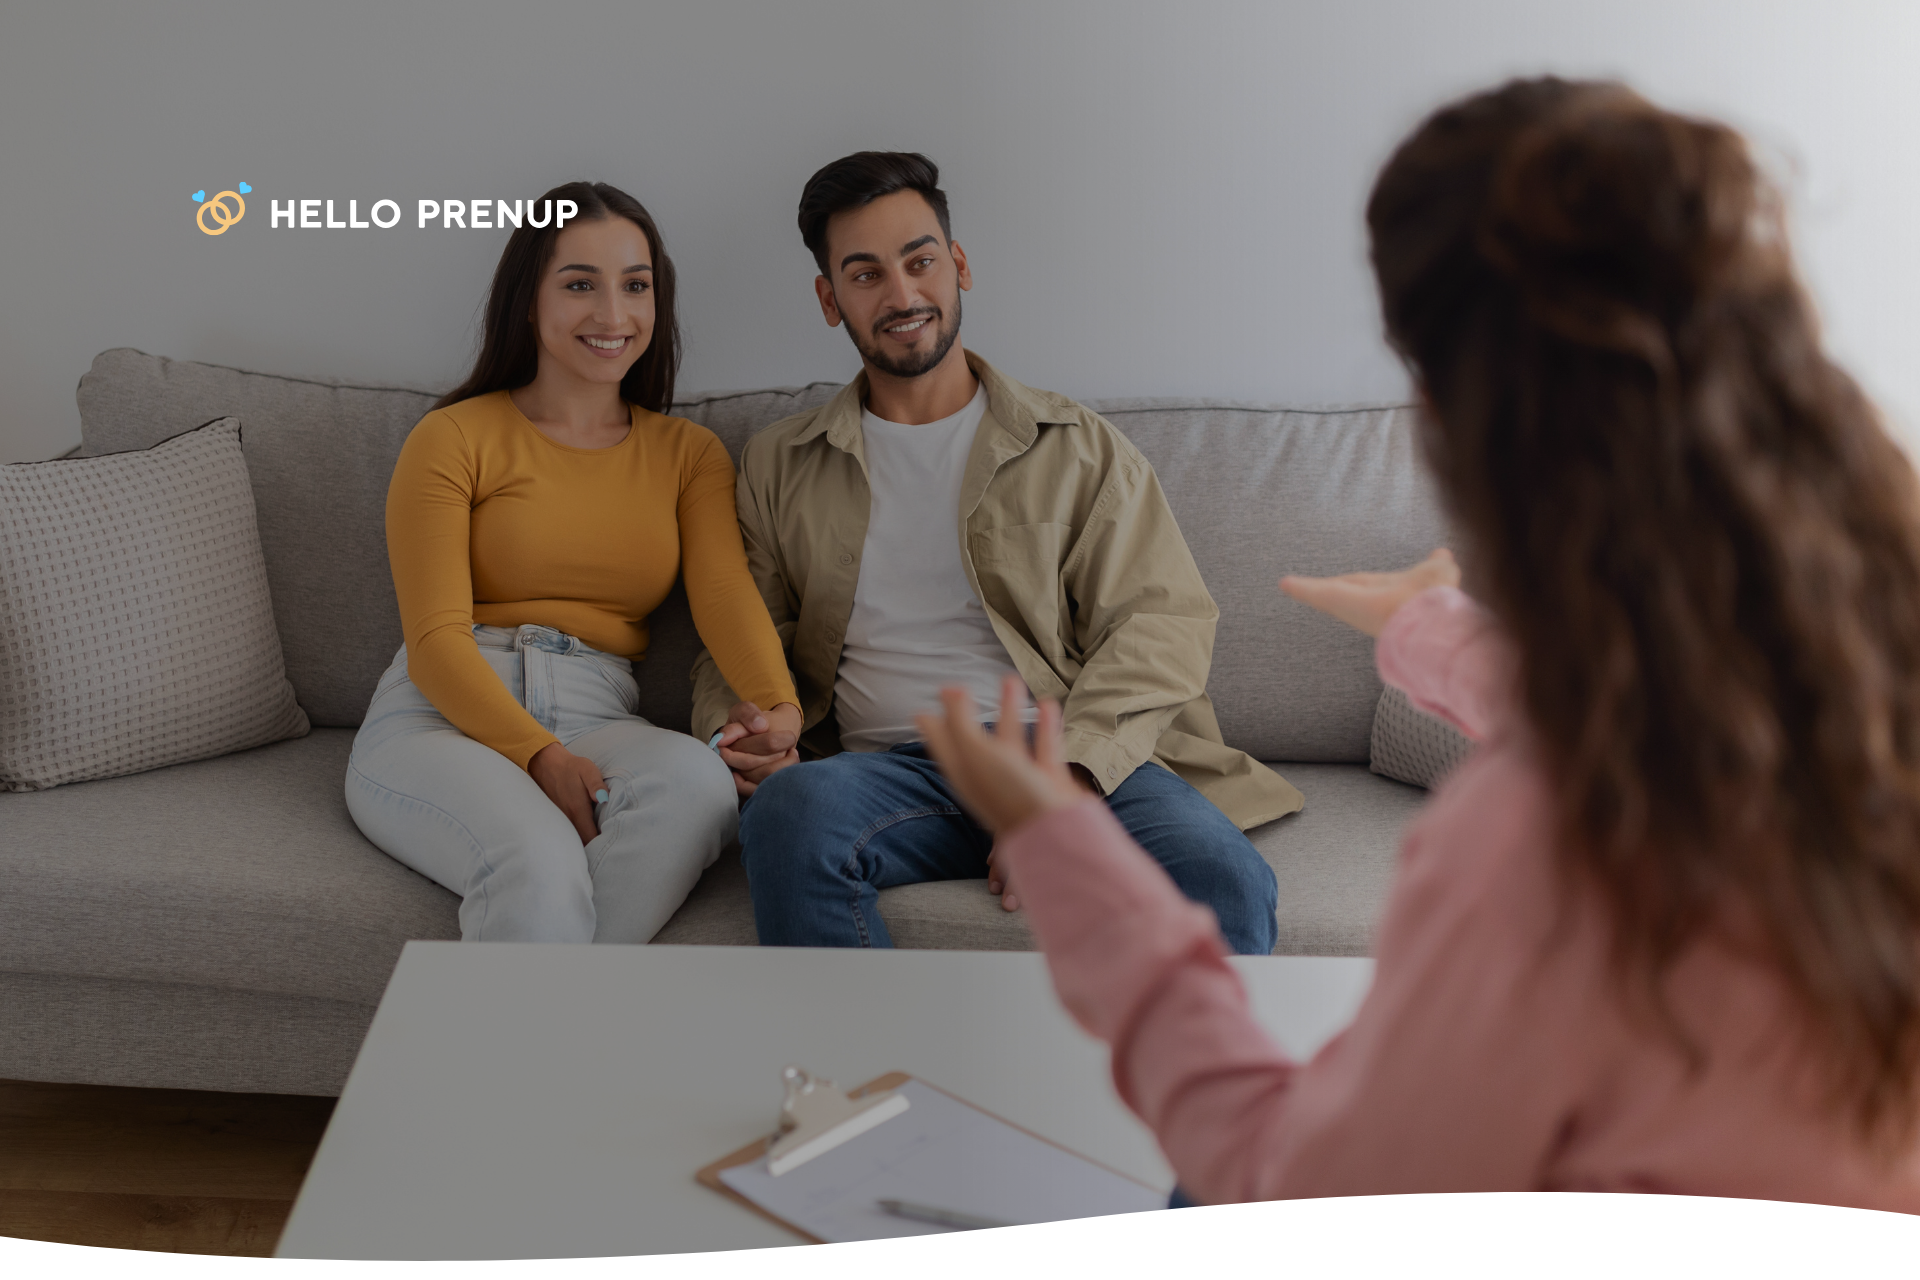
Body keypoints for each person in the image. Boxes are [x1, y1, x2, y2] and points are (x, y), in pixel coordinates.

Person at [916, 78, 1920, 1209]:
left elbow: (1287, 1187)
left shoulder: (1528, 853)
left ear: (1446, 410)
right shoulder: (1863, 658)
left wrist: (1062, 845)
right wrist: (1432, 633)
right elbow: (1679, 715)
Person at [692, 152, 1300, 954]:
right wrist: (741, 737)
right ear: (829, 299)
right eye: (866, 274)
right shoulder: (780, 462)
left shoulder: (1076, 447)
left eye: (921, 261)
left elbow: (1163, 624)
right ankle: (861, 1077)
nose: (903, 295)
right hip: (885, 773)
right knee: (791, 814)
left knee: (1223, 880)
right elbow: (740, 634)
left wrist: (1064, 786)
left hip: (1069, 754)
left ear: (960, 266)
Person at [347, 181, 800, 943]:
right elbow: (433, 641)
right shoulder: (453, 437)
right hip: (444, 717)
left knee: (698, 782)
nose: (613, 315)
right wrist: (538, 755)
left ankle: (548, 1042)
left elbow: (723, 593)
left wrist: (779, 710)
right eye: (580, 285)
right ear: (530, 299)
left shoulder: (686, 454)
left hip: (598, 709)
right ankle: (561, 1054)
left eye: (635, 286)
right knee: (537, 861)